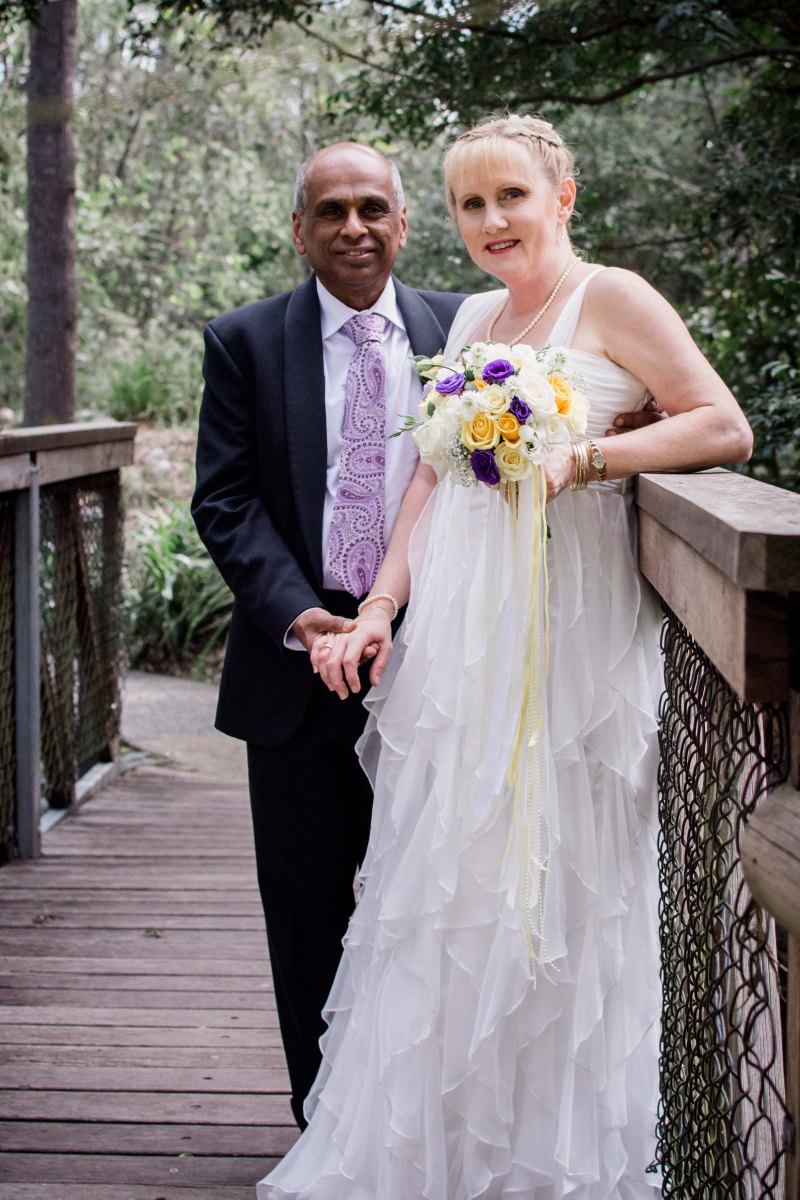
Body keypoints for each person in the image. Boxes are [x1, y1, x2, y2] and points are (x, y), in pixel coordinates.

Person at [257, 115, 752, 1198]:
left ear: (561, 196)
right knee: (448, 884)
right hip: (461, 647)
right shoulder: (475, 316)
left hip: (568, 639)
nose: (491, 220)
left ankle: (550, 1161)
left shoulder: (613, 297)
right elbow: (429, 482)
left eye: (510, 196)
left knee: (561, 885)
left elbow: (722, 425)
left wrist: (588, 458)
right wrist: (380, 604)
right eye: (470, 204)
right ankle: (446, 1152)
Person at [192, 140, 662, 1133]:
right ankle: (328, 1127)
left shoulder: (474, 322)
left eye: (374, 208)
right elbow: (225, 501)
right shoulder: (243, 341)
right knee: (307, 906)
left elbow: (594, 403)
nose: (354, 227)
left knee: (445, 903)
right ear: (299, 230)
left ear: (404, 225)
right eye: (330, 211)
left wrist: (618, 436)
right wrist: (302, 615)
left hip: (455, 654)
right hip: (301, 659)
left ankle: (438, 1126)